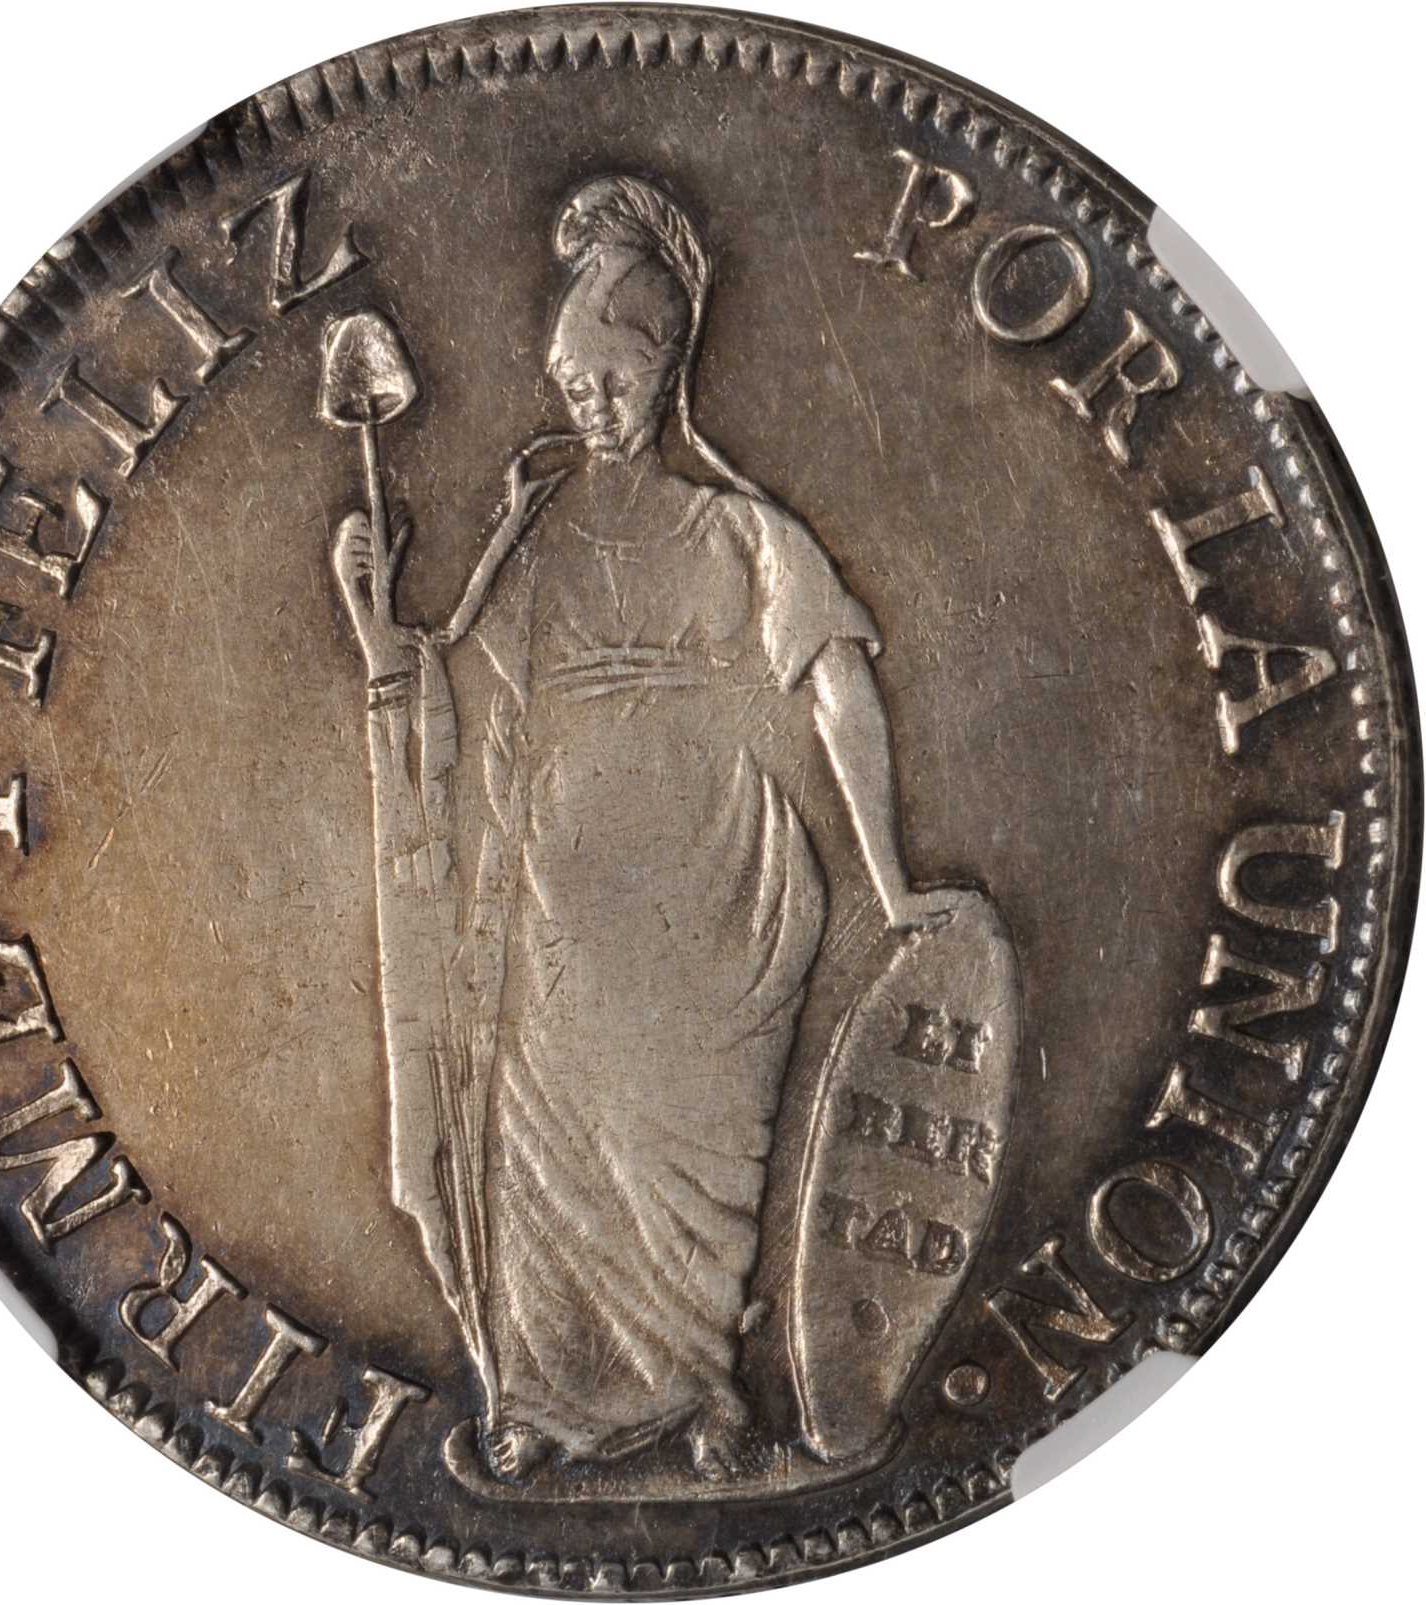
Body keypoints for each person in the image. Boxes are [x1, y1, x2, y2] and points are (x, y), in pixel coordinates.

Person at [332, 174, 948, 1484]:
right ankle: (546, 1404)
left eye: (613, 374)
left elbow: (840, 692)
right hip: (561, 907)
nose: (589, 401)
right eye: (572, 376)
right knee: (548, 1162)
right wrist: (378, 629)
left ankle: (703, 1392)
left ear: (667, 366)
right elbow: (454, 696)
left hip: (725, 897)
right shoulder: (539, 533)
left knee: (694, 1177)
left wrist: (892, 881)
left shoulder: (744, 533)